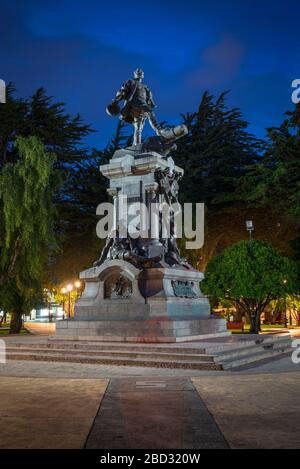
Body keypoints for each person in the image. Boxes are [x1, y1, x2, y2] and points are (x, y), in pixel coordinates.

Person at [107, 68, 164, 145]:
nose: (139, 73)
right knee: (149, 111)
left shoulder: (145, 87)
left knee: (138, 127)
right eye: (137, 72)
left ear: (143, 75)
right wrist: (116, 101)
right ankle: (158, 130)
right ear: (134, 74)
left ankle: (136, 144)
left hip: (141, 107)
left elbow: (149, 99)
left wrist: (150, 102)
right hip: (135, 105)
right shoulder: (131, 82)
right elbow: (122, 92)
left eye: (141, 72)